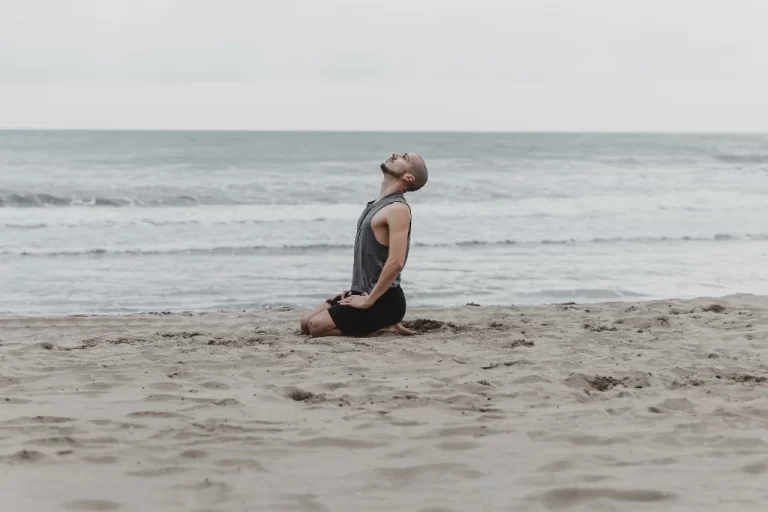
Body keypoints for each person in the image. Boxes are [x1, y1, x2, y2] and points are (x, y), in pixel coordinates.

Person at [300, 152, 428, 337]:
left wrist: (368, 300)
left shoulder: (398, 209)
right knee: (305, 324)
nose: (395, 154)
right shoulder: (375, 204)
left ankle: (385, 324)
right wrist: (357, 290)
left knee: (317, 327)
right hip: (361, 292)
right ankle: (375, 321)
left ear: (408, 177)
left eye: (404, 157)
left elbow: (396, 262)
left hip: (384, 300)